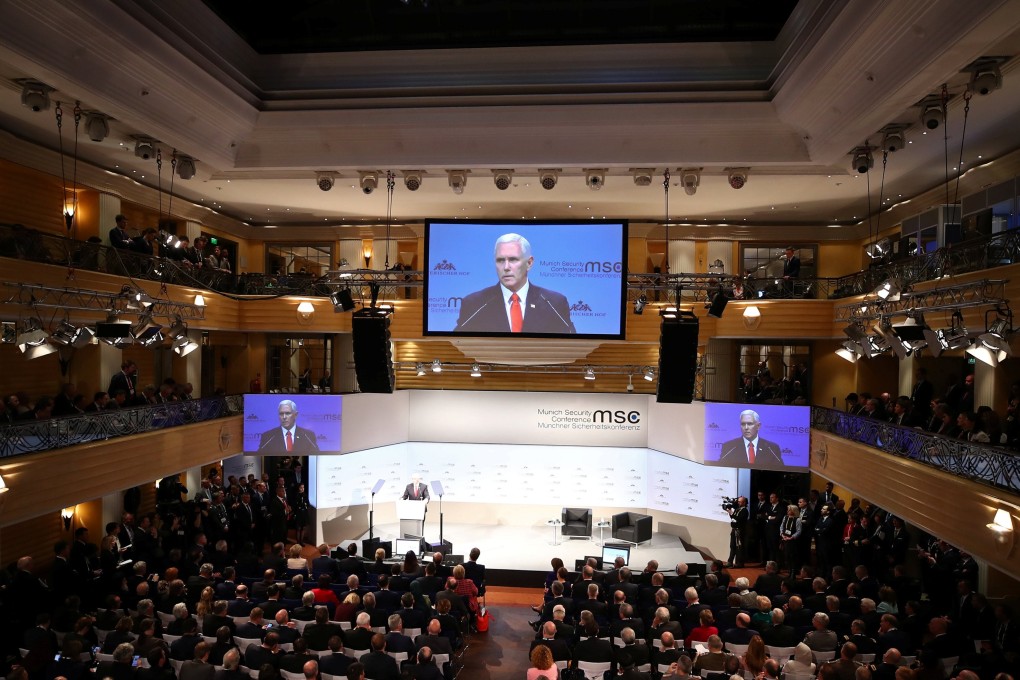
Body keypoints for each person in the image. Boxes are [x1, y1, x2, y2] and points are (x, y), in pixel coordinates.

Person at [454, 233, 574, 333]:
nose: (506, 267)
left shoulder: (554, 303)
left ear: (529, 263)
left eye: (513, 259)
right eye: (500, 260)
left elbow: (571, 344)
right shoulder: (474, 304)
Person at [714, 409, 785, 467]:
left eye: (750, 424)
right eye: (743, 424)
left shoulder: (772, 448)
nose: (746, 428)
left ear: (758, 426)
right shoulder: (729, 447)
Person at [726, 496, 749, 568]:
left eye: (740, 501)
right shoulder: (737, 509)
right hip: (734, 530)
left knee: (738, 547)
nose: (738, 502)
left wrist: (731, 513)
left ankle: (739, 563)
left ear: (744, 502)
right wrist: (730, 513)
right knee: (732, 546)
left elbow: (738, 519)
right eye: (738, 501)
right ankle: (730, 562)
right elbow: (733, 518)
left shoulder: (744, 511)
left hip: (739, 531)